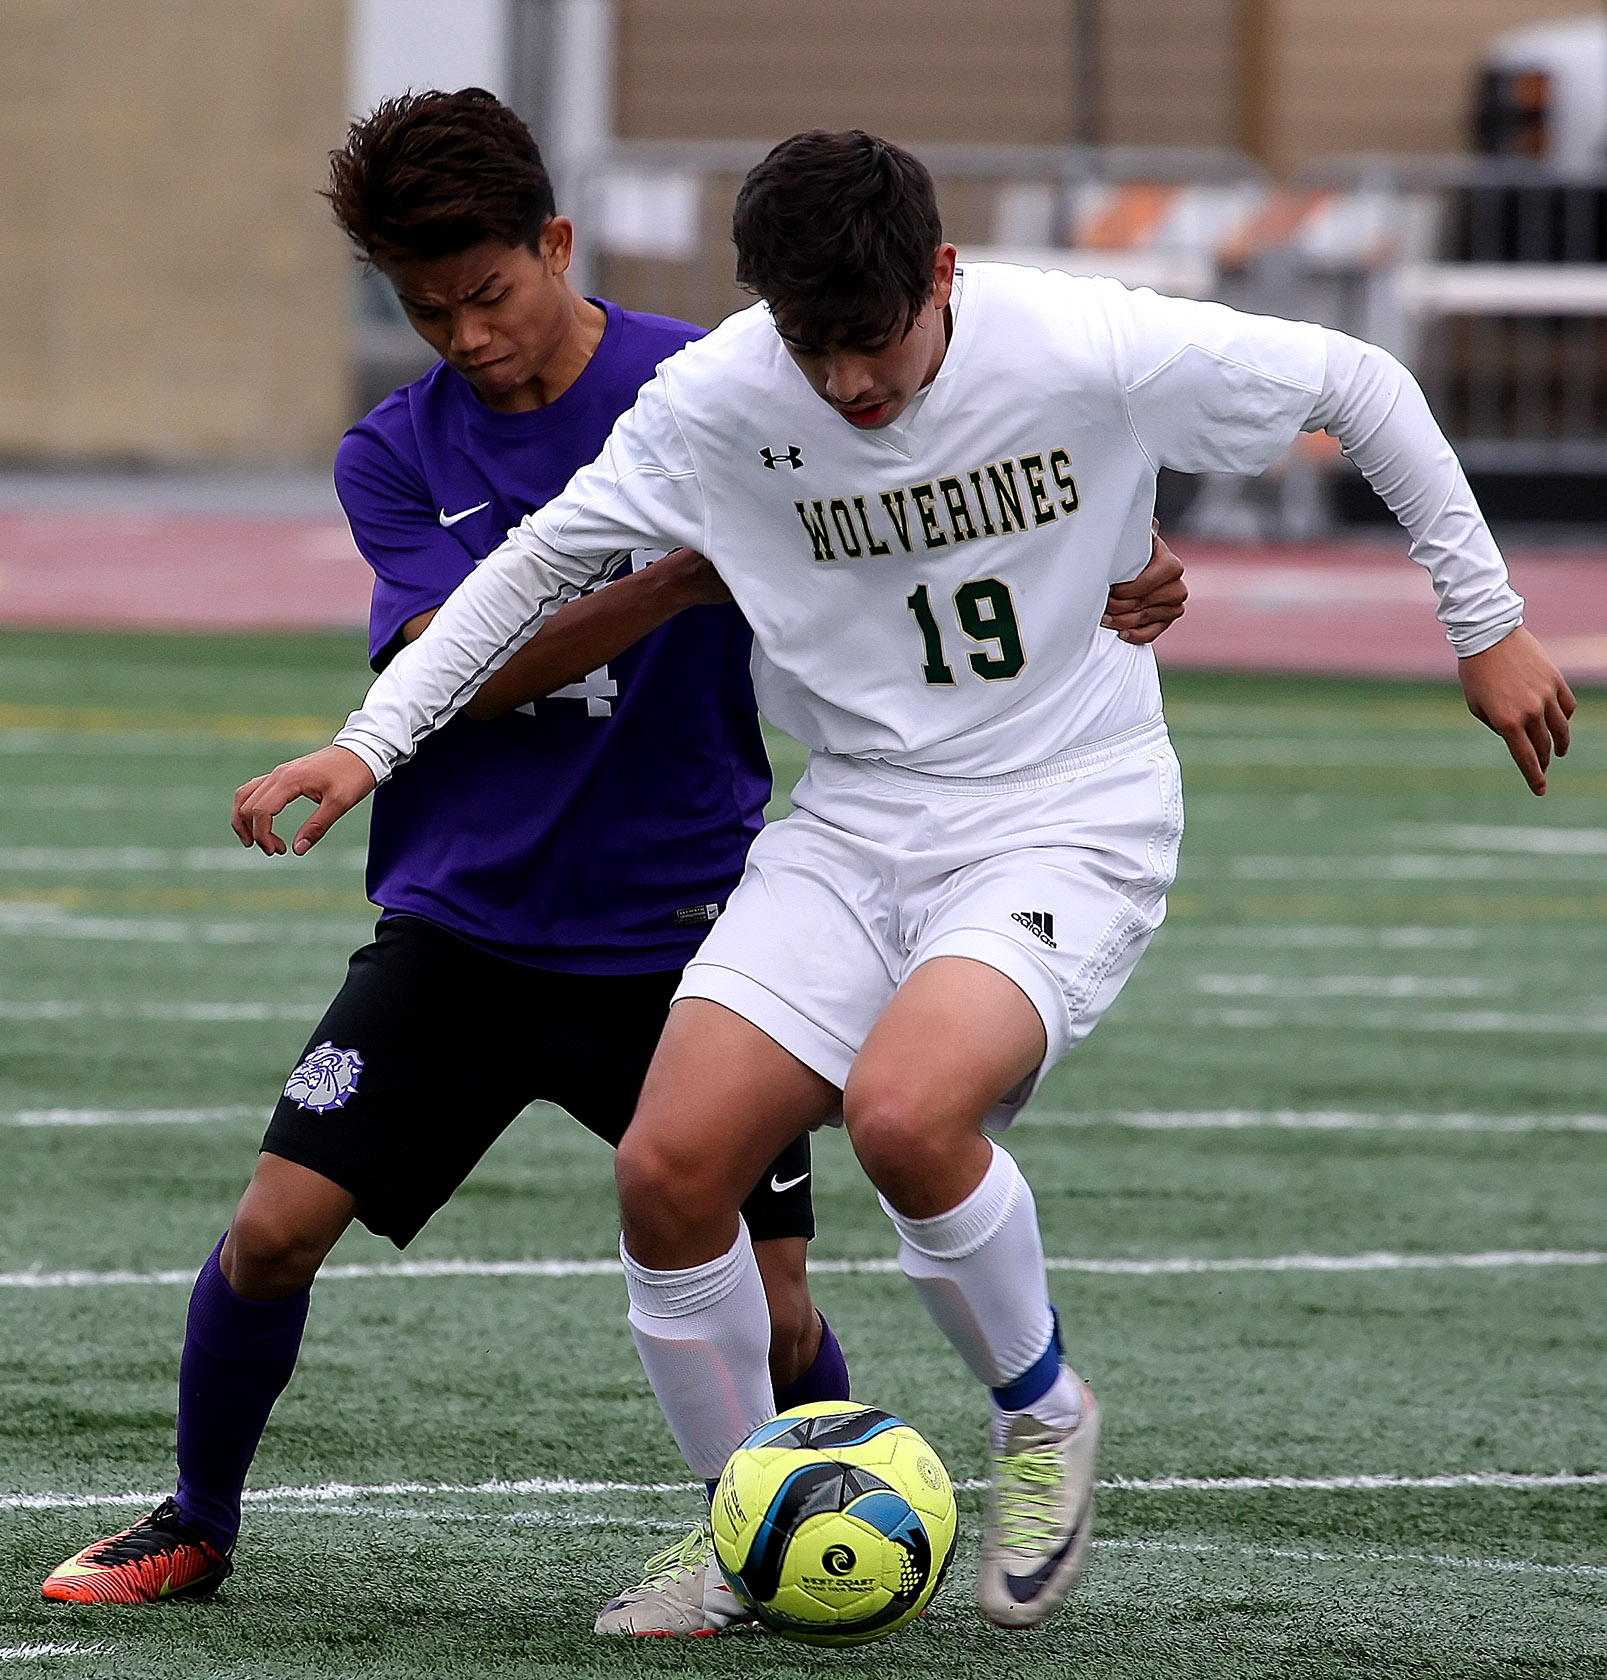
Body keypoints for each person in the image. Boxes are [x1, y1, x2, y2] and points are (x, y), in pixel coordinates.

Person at [231, 128, 1500, 1636]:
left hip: (1062, 812)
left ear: (944, 277)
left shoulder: (1081, 340)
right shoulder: (717, 400)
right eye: (811, 347)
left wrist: (1489, 625)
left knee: (905, 1116)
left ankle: (1040, 1415)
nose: (846, 386)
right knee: (667, 1171)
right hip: (853, 820)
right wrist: (366, 745)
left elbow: (1361, 384)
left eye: (876, 342)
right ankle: (741, 1536)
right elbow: (536, 569)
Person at [40, 101, 1187, 1634]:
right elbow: (465, 661)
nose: (463, 336)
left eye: (488, 296)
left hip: (690, 925)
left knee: (779, 1305)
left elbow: (949, 505)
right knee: (271, 1229)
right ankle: (195, 1520)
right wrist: (672, 584)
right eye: (423, 307)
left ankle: (789, 1551)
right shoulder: (394, 454)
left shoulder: (726, 383)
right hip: (463, 921)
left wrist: (1115, 569)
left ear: (555, 247)